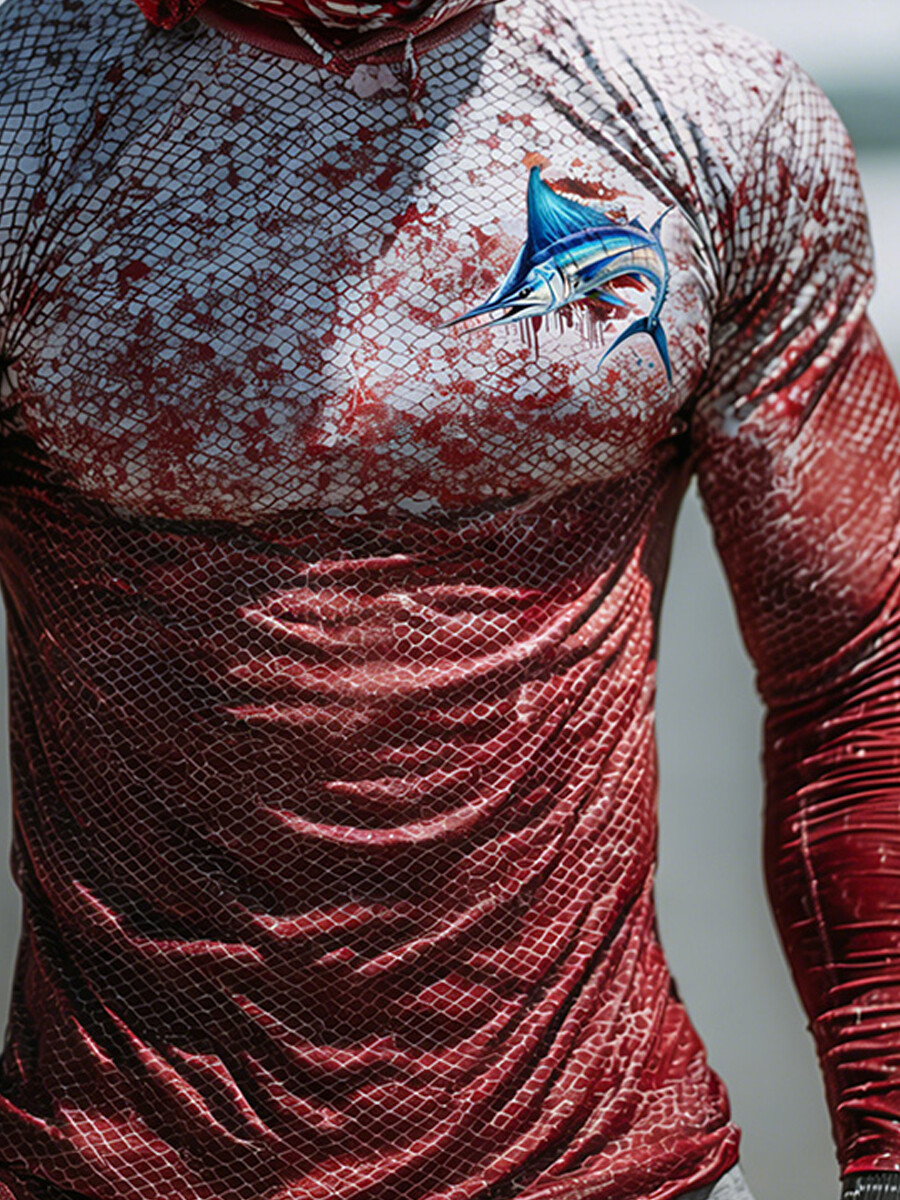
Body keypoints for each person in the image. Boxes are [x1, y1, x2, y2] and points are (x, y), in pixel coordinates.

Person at [0, 0, 897, 1197]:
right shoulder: (30, 106)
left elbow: (861, 669)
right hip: (117, 1161)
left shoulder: (711, 113)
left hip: (608, 1163)